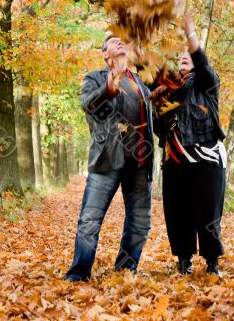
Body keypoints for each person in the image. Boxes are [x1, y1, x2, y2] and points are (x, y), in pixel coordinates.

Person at [66, 35, 155, 282]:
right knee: (90, 220)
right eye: (113, 42)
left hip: (139, 163)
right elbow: (88, 104)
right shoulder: (94, 78)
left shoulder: (141, 83)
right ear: (105, 54)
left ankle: (125, 271)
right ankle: (78, 273)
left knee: (139, 222)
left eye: (122, 41)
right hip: (107, 159)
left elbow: (153, 122)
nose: (120, 43)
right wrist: (107, 88)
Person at [153, 13, 227, 275]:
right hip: (174, 161)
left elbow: (203, 63)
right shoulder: (168, 89)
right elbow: (157, 128)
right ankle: (184, 261)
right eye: (180, 55)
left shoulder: (207, 83)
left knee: (208, 213)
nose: (184, 57)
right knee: (177, 212)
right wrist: (157, 103)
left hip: (206, 159)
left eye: (189, 55)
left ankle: (212, 263)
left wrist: (191, 34)